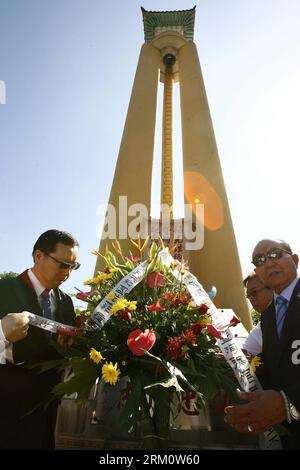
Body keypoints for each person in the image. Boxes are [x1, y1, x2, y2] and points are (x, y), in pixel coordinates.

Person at [0, 229, 80, 450]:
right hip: (6, 410)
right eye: (63, 264)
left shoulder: (66, 303)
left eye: (73, 267)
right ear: (38, 256)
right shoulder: (4, 291)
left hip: (47, 411)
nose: (68, 273)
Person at [225, 238, 300, 449]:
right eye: (259, 260)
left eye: (275, 254)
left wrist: (288, 402)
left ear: (294, 259)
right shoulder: (268, 317)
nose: (268, 263)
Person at [242, 272, 273, 356]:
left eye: (254, 292)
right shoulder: (260, 330)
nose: (251, 299)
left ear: (273, 288)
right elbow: (244, 357)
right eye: (248, 296)